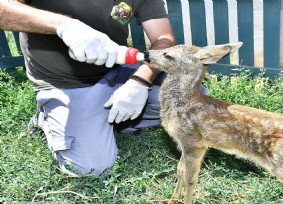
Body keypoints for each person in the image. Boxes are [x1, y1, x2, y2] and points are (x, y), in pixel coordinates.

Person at [0, 0, 176, 176]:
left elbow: (164, 39)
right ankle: (47, 116)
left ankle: (116, 118)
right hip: (66, 84)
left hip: (118, 70)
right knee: (90, 168)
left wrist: (140, 80)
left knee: (187, 100)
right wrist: (64, 26)